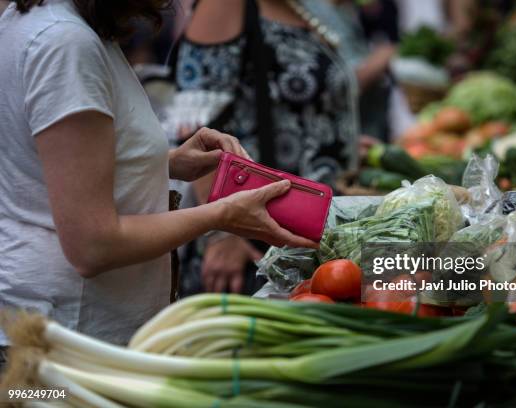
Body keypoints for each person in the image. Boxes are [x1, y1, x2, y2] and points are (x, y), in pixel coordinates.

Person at [0, 0, 317, 348]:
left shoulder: (40, 23)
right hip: (72, 337)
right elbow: (93, 245)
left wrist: (165, 161)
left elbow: (54, 164)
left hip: (67, 327)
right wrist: (221, 216)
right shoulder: (65, 43)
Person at [173, 0, 360, 295]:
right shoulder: (224, 4)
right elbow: (194, 124)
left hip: (307, 235)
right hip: (253, 245)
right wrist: (221, 234)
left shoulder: (301, 6)